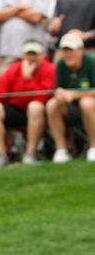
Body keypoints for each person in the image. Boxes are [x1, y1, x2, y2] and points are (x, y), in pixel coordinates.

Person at [0, 38, 54, 166]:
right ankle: (1, 154)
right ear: (23, 55)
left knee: (35, 107)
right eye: (29, 54)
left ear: (42, 55)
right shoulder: (14, 69)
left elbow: (41, 97)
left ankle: (30, 153)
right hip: (16, 110)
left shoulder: (49, 69)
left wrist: (28, 78)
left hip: (40, 114)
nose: (31, 58)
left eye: (35, 54)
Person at [46, 31, 95, 162]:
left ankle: (93, 147)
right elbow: (58, 88)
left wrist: (75, 95)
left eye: (71, 50)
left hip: (90, 108)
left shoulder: (91, 62)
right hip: (72, 109)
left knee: (87, 102)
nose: (68, 54)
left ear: (81, 50)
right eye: (65, 50)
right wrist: (59, 94)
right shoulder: (61, 65)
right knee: (52, 104)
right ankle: (61, 150)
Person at [0, 0, 51, 78]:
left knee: (32, 89)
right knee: (4, 88)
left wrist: (8, 9)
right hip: (6, 53)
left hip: (34, 52)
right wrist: (20, 7)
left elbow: (36, 17)